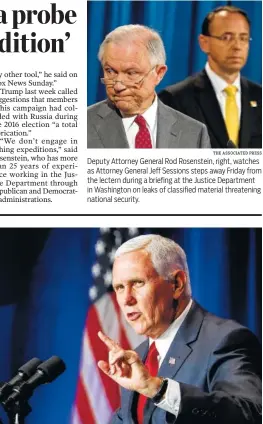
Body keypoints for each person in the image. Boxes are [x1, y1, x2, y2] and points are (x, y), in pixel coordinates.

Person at [97, 234, 261, 424]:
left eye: (138, 283)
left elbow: (249, 414)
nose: (126, 299)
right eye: (119, 287)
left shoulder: (226, 340)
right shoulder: (139, 357)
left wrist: (158, 389)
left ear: (177, 284)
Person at [87, 25, 210, 148]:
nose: (118, 86)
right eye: (110, 71)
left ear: (159, 73)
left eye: (131, 73)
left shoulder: (194, 134)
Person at [159, 6, 262, 148]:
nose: (237, 46)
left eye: (243, 38)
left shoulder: (259, 96)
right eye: (227, 37)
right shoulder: (175, 99)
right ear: (204, 42)